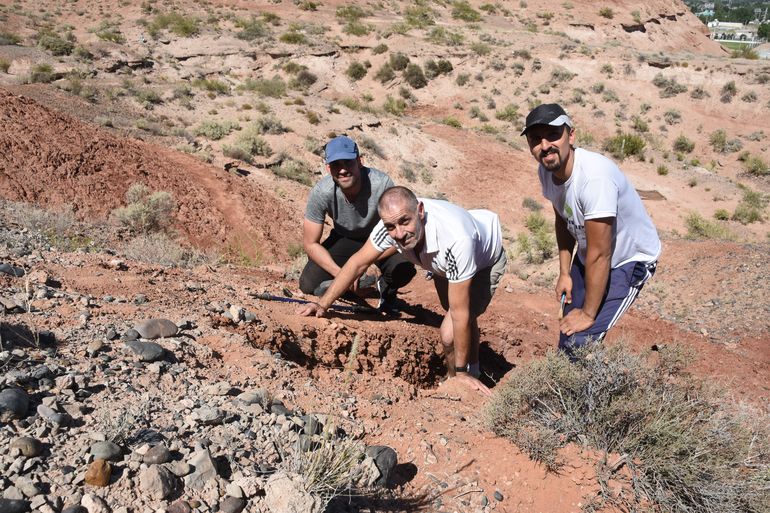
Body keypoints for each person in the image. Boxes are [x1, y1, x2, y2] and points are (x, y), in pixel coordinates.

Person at [299, 186, 507, 396]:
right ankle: (473, 369)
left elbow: (460, 313)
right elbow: (357, 263)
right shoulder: (391, 224)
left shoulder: (456, 240)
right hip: (445, 262)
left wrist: (461, 373)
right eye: (391, 226)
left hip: (485, 260)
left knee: (450, 333)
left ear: (420, 211)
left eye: (405, 222)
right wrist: (322, 304)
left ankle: (459, 380)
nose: (399, 233)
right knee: (456, 311)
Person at [521, 103, 661, 354]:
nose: (545, 145)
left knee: (583, 339)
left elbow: (601, 254)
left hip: (628, 259)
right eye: (535, 139)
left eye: (553, 135)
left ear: (571, 135)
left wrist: (588, 313)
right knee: (568, 330)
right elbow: (563, 219)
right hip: (591, 253)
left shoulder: (595, 178)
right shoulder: (547, 170)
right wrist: (564, 272)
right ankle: (568, 374)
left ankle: (589, 377)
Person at [299, 135, 416, 310]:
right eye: (336, 165)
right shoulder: (322, 192)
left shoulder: (381, 184)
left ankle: (385, 290)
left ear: (360, 162)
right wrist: (342, 275)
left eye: (348, 162)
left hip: (379, 239)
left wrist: (367, 262)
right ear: (328, 168)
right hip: (344, 238)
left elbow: (398, 231)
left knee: (403, 268)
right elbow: (310, 244)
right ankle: (349, 288)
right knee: (308, 283)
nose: (343, 170)